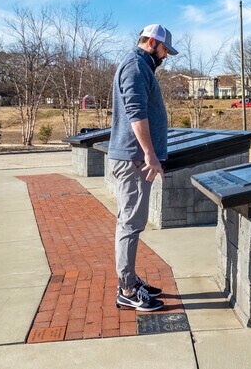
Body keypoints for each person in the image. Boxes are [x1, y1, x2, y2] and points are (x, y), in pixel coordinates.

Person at [108, 24, 178, 311]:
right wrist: (149, 154)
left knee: (131, 221)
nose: (166, 57)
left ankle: (129, 280)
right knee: (131, 223)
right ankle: (126, 289)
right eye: (164, 50)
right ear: (152, 42)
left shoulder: (140, 66)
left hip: (136, 158)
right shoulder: (136, 67)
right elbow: (137, 113)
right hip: (135, 159)